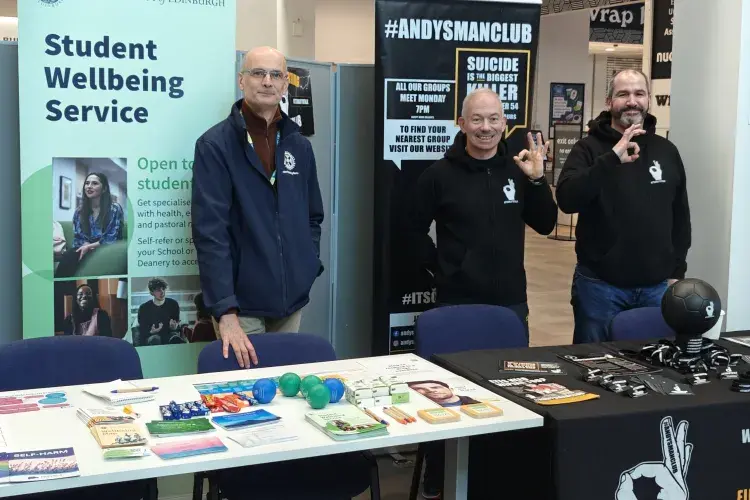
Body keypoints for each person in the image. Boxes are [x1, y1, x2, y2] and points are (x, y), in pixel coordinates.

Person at [192, 46, 324, 368]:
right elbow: (211, 233)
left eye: (276, 74)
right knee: (247, 396)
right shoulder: (215, 145)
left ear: (284, 85)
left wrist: (305, 266)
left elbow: (313, 216)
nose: (267, 81)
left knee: (284, 392)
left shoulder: (299, 145)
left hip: (291, 301)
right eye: (258, 73)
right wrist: (225, 311)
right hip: (241, 306)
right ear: (242, 80)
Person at [556, 69, 691, 344]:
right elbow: (567, 199)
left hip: (656, 288)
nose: (632, 101)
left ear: (648, 100)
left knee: (652, 368)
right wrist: (612, 158)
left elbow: (680, 216)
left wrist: (678, 272)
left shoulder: (666, 150)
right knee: (592, 368)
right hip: (599, 287)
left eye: (639, 93)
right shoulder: (588, 149)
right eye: (623, 94)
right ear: (609, 102)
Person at [410, 88, 558, 338]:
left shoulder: (518, 171)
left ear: (504, 124)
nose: (486, 127)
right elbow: (410, 230)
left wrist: (537, 180)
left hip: (511, 301)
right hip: (456, 300)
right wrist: (443, 268)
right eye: (477, 119)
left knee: (510, 372)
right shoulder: (438, 175)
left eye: (493, 119)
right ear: (462, 124)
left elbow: (545, 224)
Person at [55, 172, 125, 278]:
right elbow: (78, 237)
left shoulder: (114, 208)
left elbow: (110, 238)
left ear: (104, 188)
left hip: (106, 248)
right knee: (70, 255)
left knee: (74, 256)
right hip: (85, 248)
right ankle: (59, 291)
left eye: (95, 183)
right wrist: (85, 244)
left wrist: (89, 246)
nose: (89, 186)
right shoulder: (80, 211)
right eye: (87, 183)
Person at [137, 278, 181, 346]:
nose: (162, 292)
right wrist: (151, 331)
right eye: (158, 290)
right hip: (152, 336)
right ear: (152, 292)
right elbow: (142, 330)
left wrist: (174, 327)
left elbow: (177, 323)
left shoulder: (173, 304)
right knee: (155, 339)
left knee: (174, 337)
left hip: (169, 334)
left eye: (163, 289)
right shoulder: (144, 308)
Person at [407, 380, 480, 407]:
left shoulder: (476, 402)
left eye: (435, 387)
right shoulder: (421, 408)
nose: (430, 390)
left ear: (451, 389)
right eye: (421, 389)